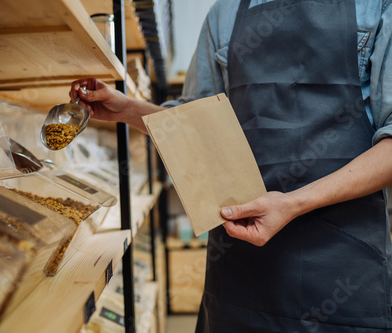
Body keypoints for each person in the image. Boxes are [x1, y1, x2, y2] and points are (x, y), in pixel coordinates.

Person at [69, 0, 392, 331]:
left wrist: (293, 204)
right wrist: (127, 110)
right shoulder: (224, 14)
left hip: (344, 268)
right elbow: (194, 123)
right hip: (242, 269)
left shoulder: (376, 6)